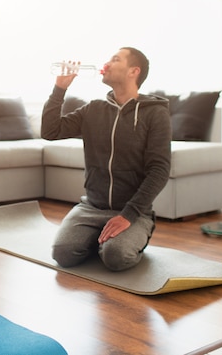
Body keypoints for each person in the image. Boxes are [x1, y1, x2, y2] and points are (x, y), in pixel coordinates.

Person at [41, 47, 171, 271]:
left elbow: (159, 169)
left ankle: (120, 239)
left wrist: (129, 215)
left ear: (133, 71)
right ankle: (97, 238)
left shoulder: (155, 113)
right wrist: (59, 89)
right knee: (63, 253)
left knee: (117, 256)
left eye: (115, 59)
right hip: (91, 207)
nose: (107, 64)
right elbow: (50, 131)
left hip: (132, 212)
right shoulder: (94, 109)